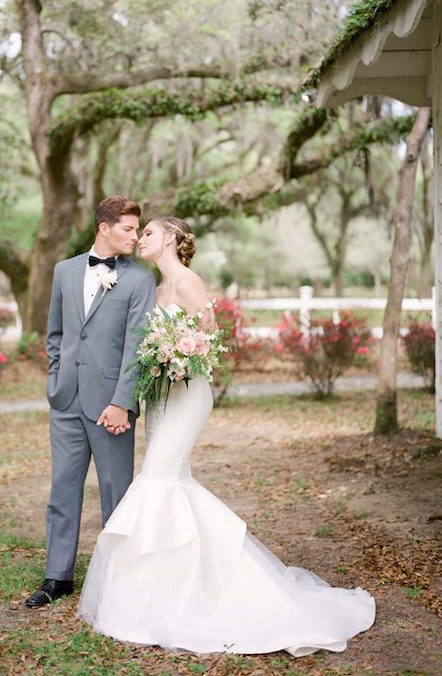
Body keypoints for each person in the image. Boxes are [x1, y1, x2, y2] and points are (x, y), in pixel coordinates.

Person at [77, 216, 375, 656]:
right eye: (139, 235)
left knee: (157, 482)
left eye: (149, 233)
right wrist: (155, 363)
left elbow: (210, 340)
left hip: (188, 394)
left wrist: (175, 355)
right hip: (160, 396)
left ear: (172, 240)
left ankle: (178, 598)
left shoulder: (188, 283)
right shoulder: (154, 290)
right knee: (171, 481)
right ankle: (178, 587)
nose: (141, 239)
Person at [25, 196, 156, 608]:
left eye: (138, 230)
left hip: (110, 407)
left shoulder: (140, 279)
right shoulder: (64, 271)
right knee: (62, 488)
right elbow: (57, 334)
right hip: (65, 399)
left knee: (117, 491)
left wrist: (123, 402)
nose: (135, 236)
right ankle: (57, 577)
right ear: (104, 227)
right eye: (128, 229)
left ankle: (119, 578)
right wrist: (55, 380)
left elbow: (138, 346)